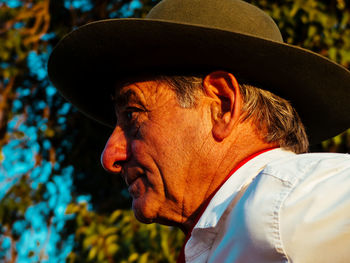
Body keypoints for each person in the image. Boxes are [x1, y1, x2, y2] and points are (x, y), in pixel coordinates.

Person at [48, 0, 350, 262]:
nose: (110, 155)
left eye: (133, 114)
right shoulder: (237, 228)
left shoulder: (289, 204)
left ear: (222, 105)